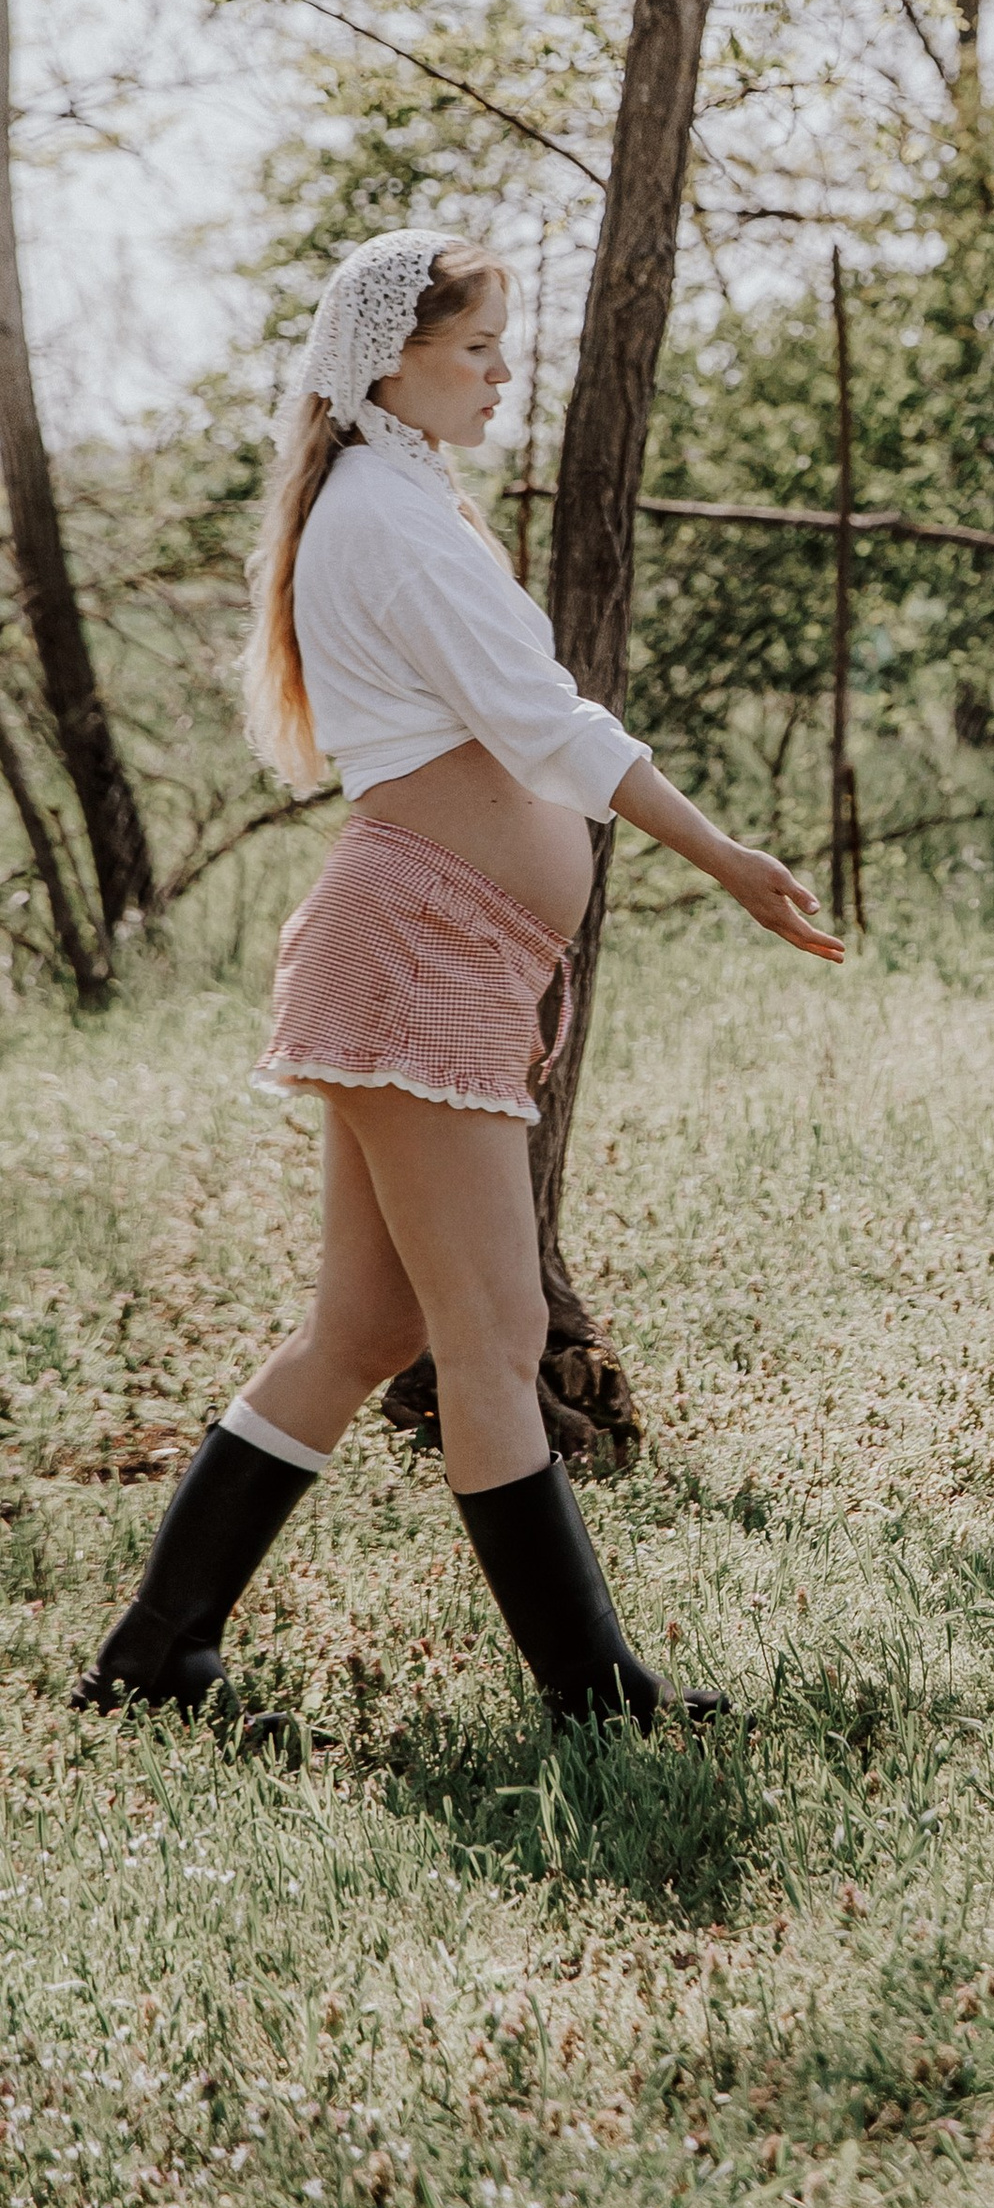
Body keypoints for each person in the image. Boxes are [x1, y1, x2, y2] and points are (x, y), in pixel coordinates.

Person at [75, 227, 842, 1734]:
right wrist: (726, 856)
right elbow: (550, 725)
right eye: (477, 347)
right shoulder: (390, 517)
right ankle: (597, 1699)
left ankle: (154, 1659)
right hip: (416, 948)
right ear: (389, 362)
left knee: (362, 1331)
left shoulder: (393, 496)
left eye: (503, 346)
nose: (503, 375)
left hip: (431, 941)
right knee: (488, 1342)